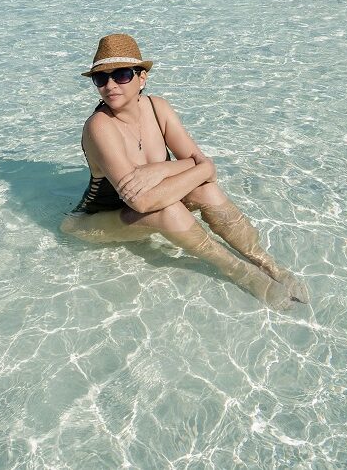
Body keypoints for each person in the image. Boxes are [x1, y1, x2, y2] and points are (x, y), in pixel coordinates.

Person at [60, 34, 309, 310]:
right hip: (94, 221)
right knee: (169, 210)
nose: (109, 85)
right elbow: (141, 201)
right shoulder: (100, 127)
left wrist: (160, 169)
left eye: (120, 75)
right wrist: (196, 166)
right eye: (100, 78)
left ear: (142, 78)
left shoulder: (157, 108)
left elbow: (208, 171)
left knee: (208, 191)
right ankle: (244, 275)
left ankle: (269, 265)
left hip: (147, 206)